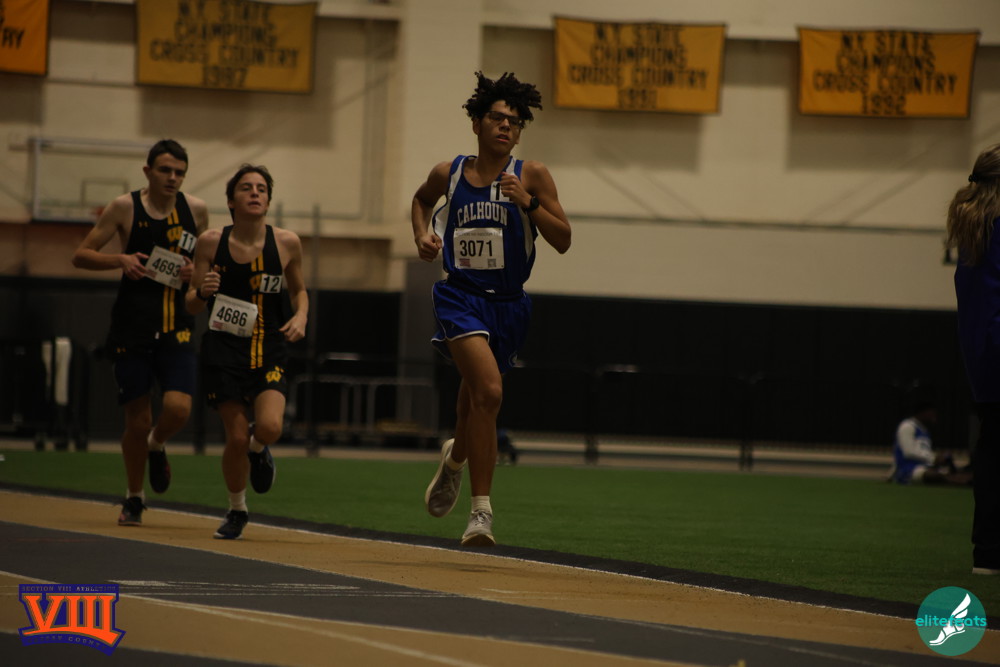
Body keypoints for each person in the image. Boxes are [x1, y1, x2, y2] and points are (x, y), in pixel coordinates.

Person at [412, 72, 571, 546]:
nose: (506, 126)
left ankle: (455, 459)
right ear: (477, 123)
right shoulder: (450, 173)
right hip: (460, 296)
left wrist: (530, 203)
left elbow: (564, 239)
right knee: (490, 392)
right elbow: (421, 201)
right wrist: (422, 235)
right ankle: (481, 512)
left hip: (509, 304)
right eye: (498, 118)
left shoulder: (531, 175)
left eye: (515, 122)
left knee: (475, 401)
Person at [71, 139, 209, 526]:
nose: (173, 178)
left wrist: (194, 273)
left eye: (179, 172)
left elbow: (207, 264)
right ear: (148, 171)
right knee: (137, 420)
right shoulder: (124, 207)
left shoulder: (196, 210)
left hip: (177, 325)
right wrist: (121, 259)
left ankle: (157, 444)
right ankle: (134, 497)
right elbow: (81, 255)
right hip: (132, 327)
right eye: (165, 170)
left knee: (179, 409)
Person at [186, 164, 308, 540]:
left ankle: (259, 449)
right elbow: (191, 303)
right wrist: (202, 291)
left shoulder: (286, 243)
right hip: (223, 351)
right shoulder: (210, 242)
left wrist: (301, 316)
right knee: (235, 437)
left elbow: (298, 290)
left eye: (261, 189)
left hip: (268, 347)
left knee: (270, 427)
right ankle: (237, 509)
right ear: (231, 201)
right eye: (246, 187)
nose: (255, 193)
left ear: (268, 201)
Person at [947, 142, 1000, 575]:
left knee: (992, 450)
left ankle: (988, 551)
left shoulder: (973, 228)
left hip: (982, 356)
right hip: (994, 346)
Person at [887, 401, 970, 485]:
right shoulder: (907, 426)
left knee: (946, 472)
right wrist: (934, 458)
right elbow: (908, 452)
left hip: (925, 467)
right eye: (932, 413)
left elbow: (924, 452)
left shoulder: (924, 431)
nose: (934, 417)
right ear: (923, 412)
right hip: (908, 469)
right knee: (933, 476)